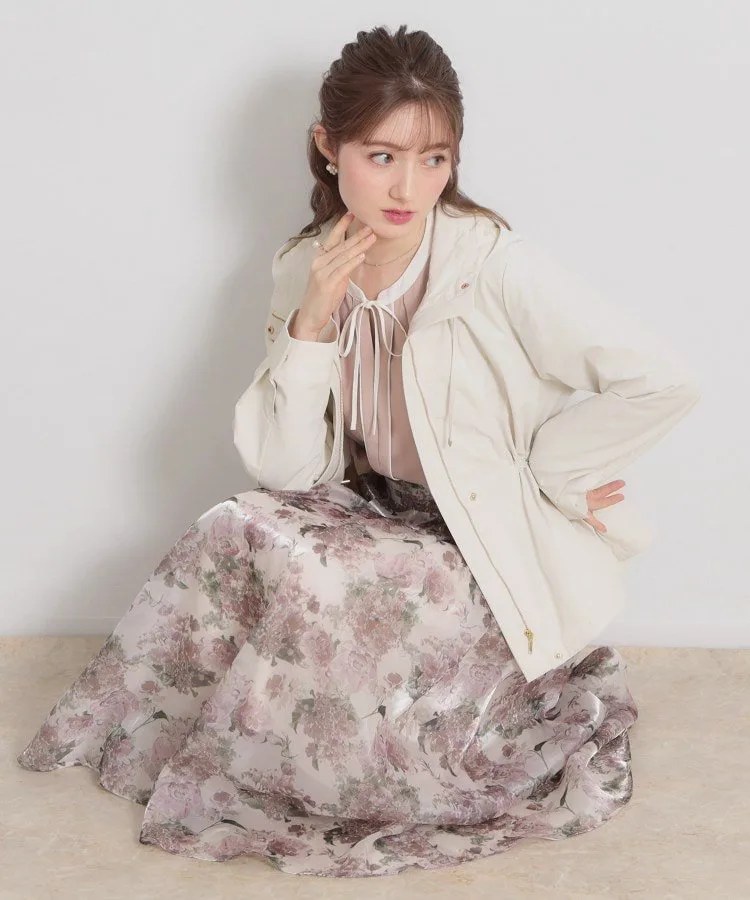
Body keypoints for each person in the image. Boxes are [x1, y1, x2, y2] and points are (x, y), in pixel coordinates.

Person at [17, 25, 700, 878]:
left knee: (325, 577)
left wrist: (553, 470)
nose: (409, 186)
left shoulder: (493, 265)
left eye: (434, 159)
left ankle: (330, 772)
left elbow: (660, 380)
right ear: (328, 146)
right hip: (373, 510)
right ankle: (206, 746)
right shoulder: (305, 264)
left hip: (471, 544)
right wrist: (311, 321)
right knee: (232, 525)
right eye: (382, 157)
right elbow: (289, 473)